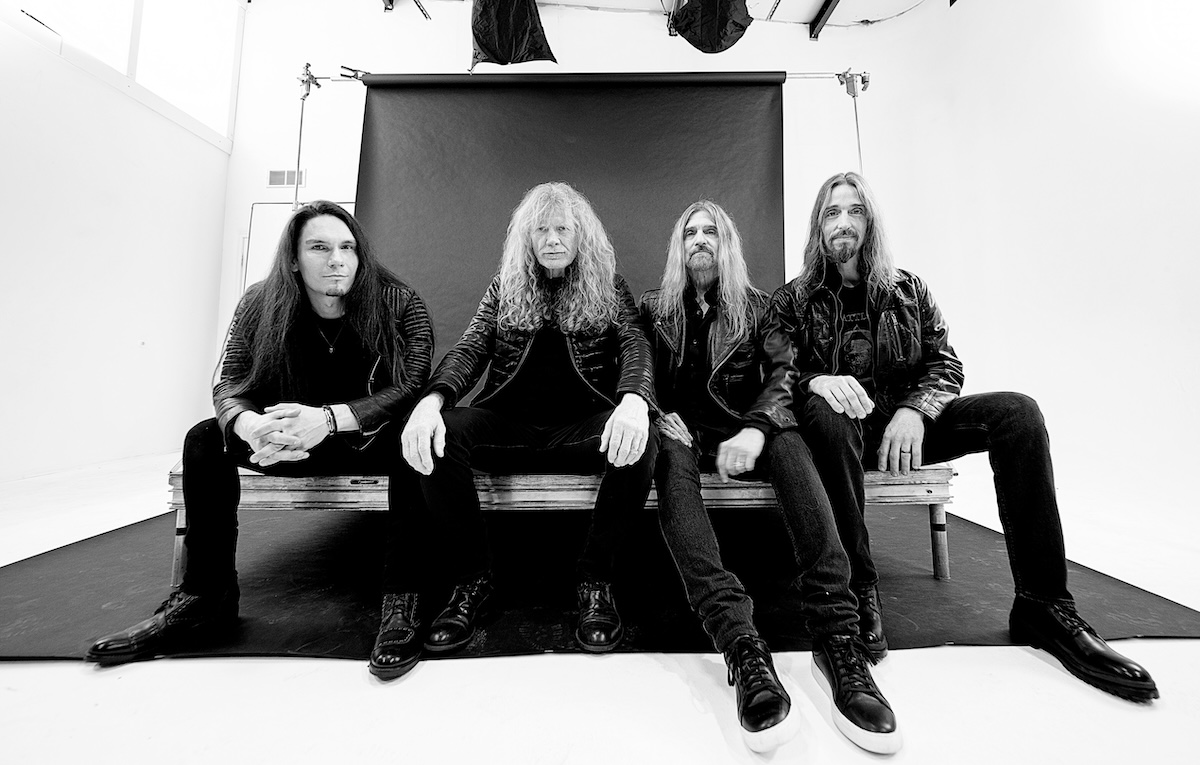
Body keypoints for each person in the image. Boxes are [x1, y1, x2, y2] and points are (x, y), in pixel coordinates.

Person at [772, 172, 1159, 702]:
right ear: (818, 225)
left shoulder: (909, 290)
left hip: (906, 431)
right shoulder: (792, 300)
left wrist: (915, 410)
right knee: (827, 410)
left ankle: (1044, 604)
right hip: (837, 434)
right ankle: (860, 588)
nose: (844, 222)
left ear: (870, 222)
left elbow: (945, 363)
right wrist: (817, 380)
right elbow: (776, 377)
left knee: (1018, 413)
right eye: (832, 212)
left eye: (855, 211)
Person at [86, 201, 436, 681]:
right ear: (293, 258)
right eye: (320, 247)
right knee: (205, 438)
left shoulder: (398, 301)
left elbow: (412, 385)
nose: (337, 260)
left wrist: (330, 419)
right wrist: (250, 426)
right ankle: (206, 597)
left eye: (348, 248)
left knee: (417, 438)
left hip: (368, 439)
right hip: (285, 441)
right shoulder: (260, 302)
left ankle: (403, 603)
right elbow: (230, 382)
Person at [640, 200, 901, 754]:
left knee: (789, 439)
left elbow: (785, 372)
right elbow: (635, 371)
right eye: (690, 232)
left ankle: (838, 640)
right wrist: (657, 413)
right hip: (682, 434)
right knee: (669, 456)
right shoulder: (653, 308)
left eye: (711, 231)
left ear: (727, 244)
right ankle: (742, 645)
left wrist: (757, 427)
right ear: (678, 247)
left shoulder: (759, 308)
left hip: (745, 427)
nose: (700, 239)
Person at [401, 181, 657, 654]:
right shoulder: (506, 286)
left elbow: (635, 344)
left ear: (581, 236)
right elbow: (471, 347)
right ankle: (472, 581)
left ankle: (595, 582)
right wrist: (431, 400)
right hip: (509, 424)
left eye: (563, 229)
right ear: (527, 237)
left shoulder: (608, 285)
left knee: (644, 440)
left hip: (582, 429)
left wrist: (635, 401)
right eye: (541, 230)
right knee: (441, 433)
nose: (552, 239)